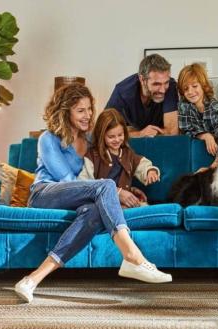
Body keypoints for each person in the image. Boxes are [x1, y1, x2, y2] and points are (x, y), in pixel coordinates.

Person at [14, 84, 172, 304]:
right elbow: (68, 180)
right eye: (80, 110)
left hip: (74, 199)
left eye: (89, 109)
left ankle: (31, 280)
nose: (88, 115)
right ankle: (133, 257)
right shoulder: (48, 139)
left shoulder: (89, 140)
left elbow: (112, 154)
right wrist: (113, 191)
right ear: (65, 111)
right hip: (45, 194)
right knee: (105, 186)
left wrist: (124, 190)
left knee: (95, 212)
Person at [79, 108, 160, 208]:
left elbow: (141, 164)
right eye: (111, 136)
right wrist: (116, 192)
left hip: (127, 202)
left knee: (147, 209)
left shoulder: (127, 153)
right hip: (104, 203)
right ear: (101, 135)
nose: (117, 140)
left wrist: (149, 171)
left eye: (120, 135)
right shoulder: (92, 156)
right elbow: (84, 183)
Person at [106, 54, 179, 137]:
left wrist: (129, 132)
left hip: (160, 142)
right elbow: (105, 130)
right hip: (129, 142)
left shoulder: (171, 87)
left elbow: (171, 132)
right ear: (142, 79)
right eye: (156, 84)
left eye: (166, 83)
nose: (162, 90)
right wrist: (140, 133)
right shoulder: (122, 92)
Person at [177, 63, 218, 163]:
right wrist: (205, 136)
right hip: (193, 155)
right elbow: (185, 130)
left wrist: (217, 163)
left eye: (194, 86)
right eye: (186, 88)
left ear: (203, 86)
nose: (190, 91)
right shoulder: (183, 105)